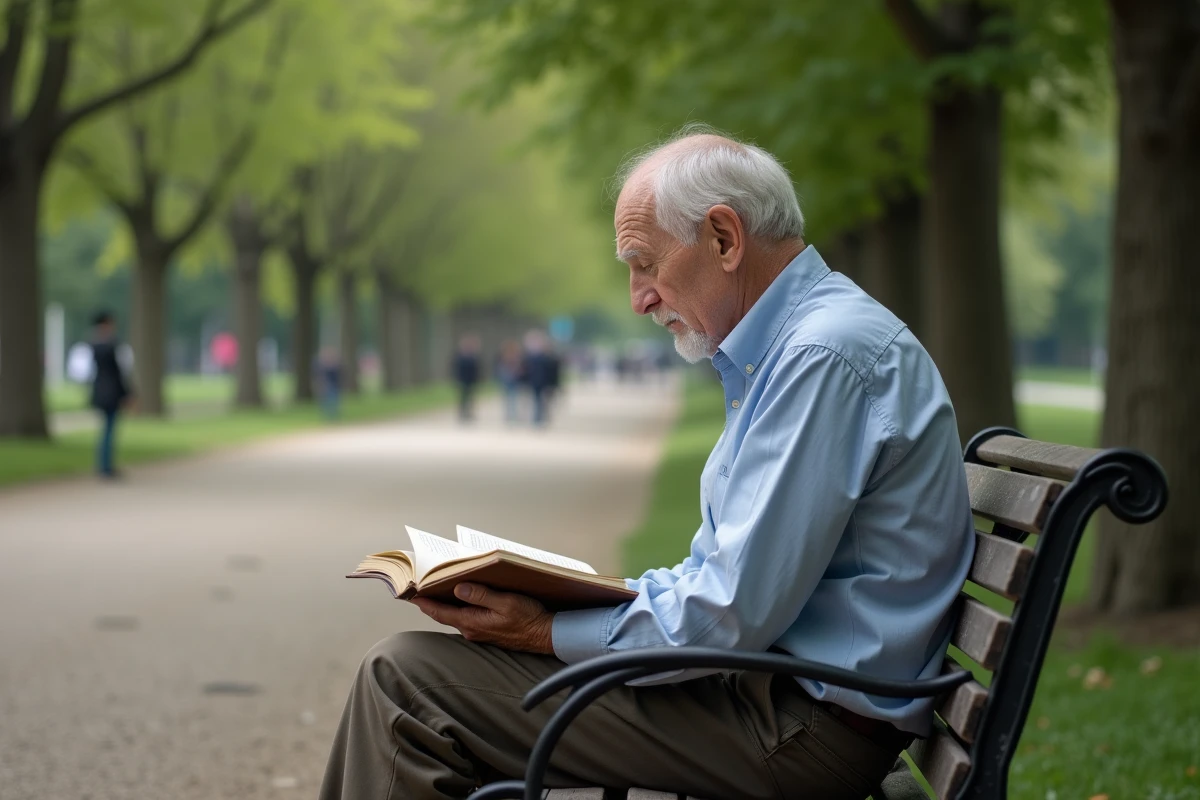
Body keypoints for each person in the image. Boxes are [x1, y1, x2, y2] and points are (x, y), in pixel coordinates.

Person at [319, 128, 975, 800]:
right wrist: (572, 599)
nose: (638, 298)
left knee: (403, 681)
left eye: (645, 264)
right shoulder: (800, 349)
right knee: (419, 675)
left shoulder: (821, 356)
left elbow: (727, 612)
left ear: (724, 239)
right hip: (769, 699)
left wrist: (546, 629)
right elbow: (731, 589)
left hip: (793, 730)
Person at [89, 311, 133, 479]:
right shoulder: (113, 345)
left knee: (105, 430)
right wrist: (128, 393)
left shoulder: (93, 345)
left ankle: (103, 465)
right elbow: (119, 373)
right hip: (112, 393)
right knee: (109, 430)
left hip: (99, 392)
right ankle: (106, 467)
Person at [521, 330, 555, 427]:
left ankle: (539, 417)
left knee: (541, 400)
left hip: (543, 382)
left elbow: (551, 371)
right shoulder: (528, 357)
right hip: (534, 382)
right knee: (536, 400)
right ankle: (537, 418)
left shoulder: (546, 357)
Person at [453, 334, 483, 423]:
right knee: (462, 397)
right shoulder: (459, 356)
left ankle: (469, 413)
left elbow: (478, 369)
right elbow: (455, 368)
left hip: (471, 380)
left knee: (471, 398)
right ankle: (462, 413)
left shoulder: (474, 356)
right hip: (462, 380)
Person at [494, 339, 525, 424]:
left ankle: (511, 415)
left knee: (512, 398)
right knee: (510, 398)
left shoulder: (516, 358)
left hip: (513, 380)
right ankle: (511, 415)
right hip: (507, 380)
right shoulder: (504, 358)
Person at [317, 347, 342, 421]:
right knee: (326, 401)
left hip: (334, 386)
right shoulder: (323, 367)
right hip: (326, 386)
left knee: (334, 400)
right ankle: (327, 415)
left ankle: (333, 415)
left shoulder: (335, 366)